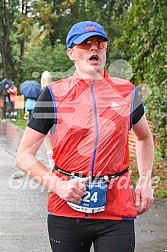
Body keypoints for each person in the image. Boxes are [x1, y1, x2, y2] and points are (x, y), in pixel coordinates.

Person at [16, 21, 154, 252]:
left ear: (105, 50)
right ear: (71, 53)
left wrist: (145, 182)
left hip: (116, 208)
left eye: (99, 43)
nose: (94, 48)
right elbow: (24, 155)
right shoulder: (52, 94)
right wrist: (57, 185)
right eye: (85, 44)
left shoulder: (127, 92)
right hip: (66, 207)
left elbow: (144, 139)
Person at [41, 71, 55, 170]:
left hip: (46, 122)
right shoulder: (55, 90)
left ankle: (52, 166)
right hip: (55, 121)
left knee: (48, 147)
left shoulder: (41, 92)